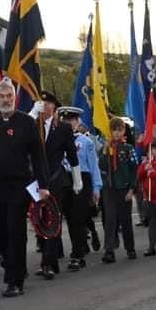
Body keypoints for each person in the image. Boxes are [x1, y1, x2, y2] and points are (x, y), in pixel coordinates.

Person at [0, 80, 49, 298]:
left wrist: (43, 185)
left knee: (15, 231)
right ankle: (15, 266)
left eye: (9, 96)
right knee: (0, 233)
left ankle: (14, 281)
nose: (6, 100)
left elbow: (38, 156)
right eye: (2, 97)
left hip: (18, 187)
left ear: (14, 98)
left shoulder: (26, 123)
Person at [36, 91, 81, 279]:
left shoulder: (63, 128)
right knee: (39, 220)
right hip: (36, 181)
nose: (45, 106)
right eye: (42, 103)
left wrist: (77, 179)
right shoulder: (32, 125)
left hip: (56, 180)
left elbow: (72, 154)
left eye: (49, 103)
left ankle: (47, 262)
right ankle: (50, 260)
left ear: (55, 107)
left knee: (52, 221)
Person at [58, 106, 102, 271]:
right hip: (65, 179)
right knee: (70, 218)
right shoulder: (58, 140)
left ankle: (78, 255)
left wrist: (96, 187)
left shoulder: (85, 142)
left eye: (72, 120)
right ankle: (80, 247)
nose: (69, 123)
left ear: (78, 122)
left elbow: (94, 166)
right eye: (65, 120)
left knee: (78, 218)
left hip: (82, 179)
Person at [98, 117, 137, 263]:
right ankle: (109, 250)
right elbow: (101, 166)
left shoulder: (128, 148)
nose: (116, 133)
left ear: (124, 131)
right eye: (114, 130)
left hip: (124, 187)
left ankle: (130, 248)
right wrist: (104, 150)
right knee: (110, 220)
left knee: (125, 220)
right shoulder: (107, 147)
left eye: (119, 130)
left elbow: (134, 170)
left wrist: (132, 189)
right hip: (109, 188)